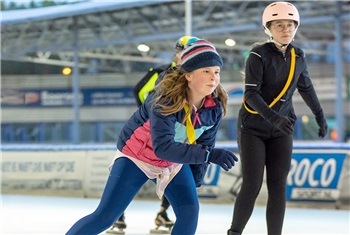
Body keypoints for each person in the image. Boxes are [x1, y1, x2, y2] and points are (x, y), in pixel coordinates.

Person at [66, 38, 238, 235]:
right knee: (106, 216)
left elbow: (205, 142)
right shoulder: (165, 99)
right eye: (206, 71)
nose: (213, 78)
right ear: (189, 75)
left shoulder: (214, 106)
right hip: (137, 155)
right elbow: (163, 147)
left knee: (189, 210)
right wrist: (209, 155)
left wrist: (196, 177)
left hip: (172, 161)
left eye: (216, 72)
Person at [227, 2, 328, 235]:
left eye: (291, 24)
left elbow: (306, 87)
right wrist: (273, 117)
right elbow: (250, 94)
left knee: (278, 187)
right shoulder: (257, 55)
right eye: (279, 25)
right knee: (252, 185)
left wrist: (320, 116)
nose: (286, 29)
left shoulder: (298, 55)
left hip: (282, 128)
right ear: (268, 28)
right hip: (253, 128)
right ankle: (234, 232)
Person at [109, 35, 196, 233]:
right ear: (176, 53)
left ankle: (163, 212)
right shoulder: (161, 72)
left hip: (176, 137)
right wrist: (149, 115)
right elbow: (139, 90)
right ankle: (117, 215)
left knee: (175, 177)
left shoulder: (195, 76)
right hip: (147, 138)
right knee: (131, 176)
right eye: (184, 51)